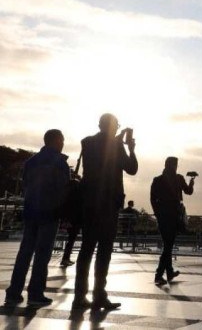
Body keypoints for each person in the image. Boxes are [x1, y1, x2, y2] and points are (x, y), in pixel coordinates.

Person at [72, 113, 137, 310]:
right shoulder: (115, 145)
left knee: (86, 250)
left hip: (89, 203)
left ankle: (79, 296)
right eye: (117, 125)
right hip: (108, 203)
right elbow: (131, 168)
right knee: (104, 251)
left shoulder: (87, 142)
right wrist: (131, 149)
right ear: (113, 127)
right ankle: (99, 295)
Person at [4, 129, 70, 307]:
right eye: (62, 140)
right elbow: (63, 189)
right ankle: (35, 292)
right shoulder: (60, 163)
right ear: (56, 141)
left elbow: (25, 184)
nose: (63, 143)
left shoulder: (31, 162)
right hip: (50, 212)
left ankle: (13, 292)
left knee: (24, 252)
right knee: (42, 254)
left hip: (31, 210)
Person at [150, 157, 194, 285]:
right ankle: (159, 275)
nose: (175, 167)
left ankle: (169, 272)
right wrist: (191, 184)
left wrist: (157, 213)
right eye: (175, 165)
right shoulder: (176, 178)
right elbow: (188, 192)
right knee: (168, 246)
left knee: (168, 245)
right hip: (171, 216)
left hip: (167, 217)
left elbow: (153, 199)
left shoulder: (160, 180)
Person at [60, 172, 83, 267]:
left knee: (70, 239)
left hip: (69, 219)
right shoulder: (78, 197)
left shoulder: (67, 197)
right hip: (75, 220)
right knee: (71, 239)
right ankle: (65, 258)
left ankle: (66, 258)